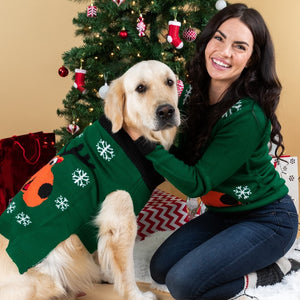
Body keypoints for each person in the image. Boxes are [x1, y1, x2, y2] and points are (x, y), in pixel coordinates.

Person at [127, 3, 300, 300]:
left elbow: (197, 182)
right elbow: (186, 155)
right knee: (160, 269)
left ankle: (268, 273)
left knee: (183, 284)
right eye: (219, 38)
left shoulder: (247, 116)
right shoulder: (197, 93)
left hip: (268, 219)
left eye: (240, 46)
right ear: (207, 40)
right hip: (222, 215)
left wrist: (145, 143)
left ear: (251, 59)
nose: (224, 52)